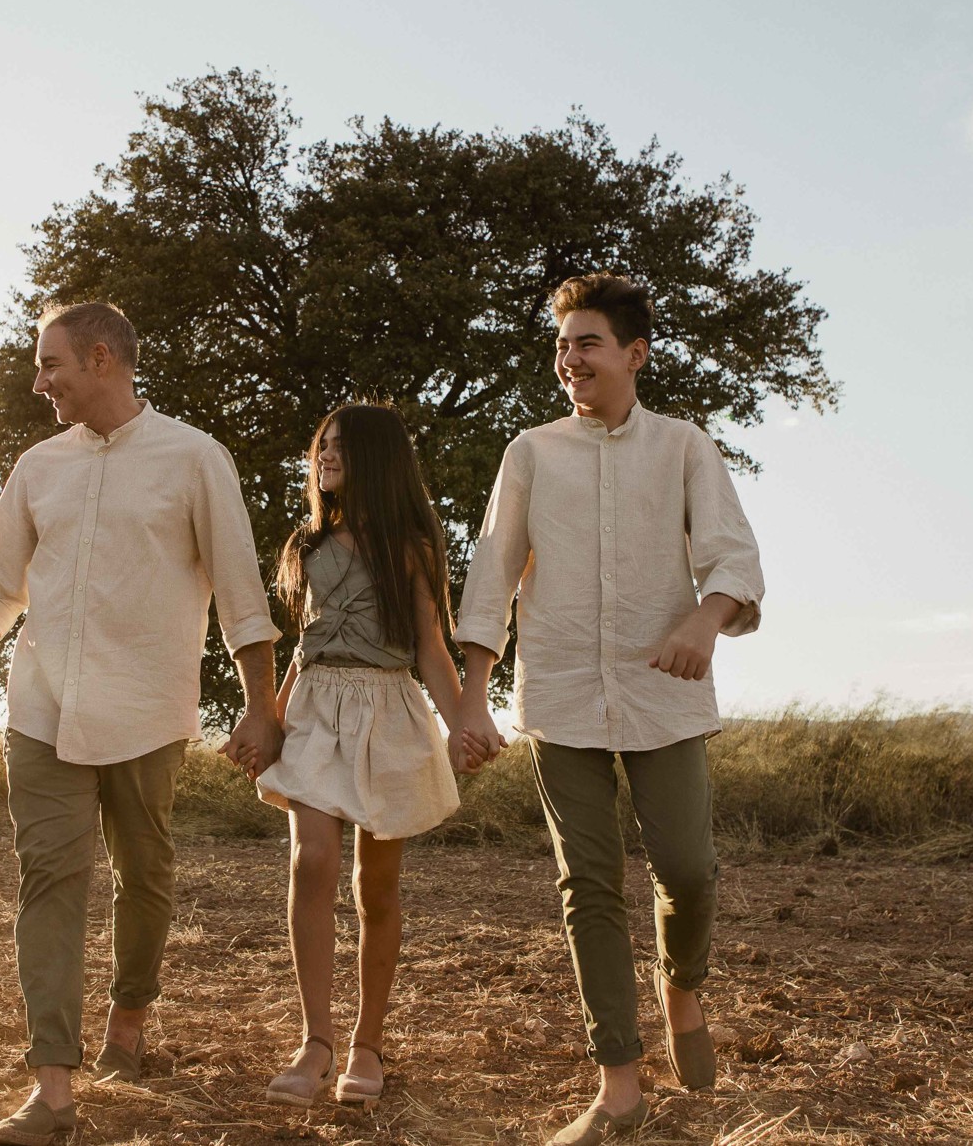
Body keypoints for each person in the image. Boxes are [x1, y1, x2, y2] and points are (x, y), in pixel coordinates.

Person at [0, 301, 282, 1146]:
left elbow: (240, 591)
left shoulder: (195, 458)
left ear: (102, 357)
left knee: (144, 870)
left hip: (147, 710)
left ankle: (129, 1021)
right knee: (50, 876)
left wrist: (261, 706)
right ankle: (52, 1086)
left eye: (52, 366)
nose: (40, 382)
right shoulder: (37, 467)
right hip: (41, 704)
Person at [452, 273, 765, 1145]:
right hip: (558, 698)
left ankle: (682, 985)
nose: (569, 358)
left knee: (689, 868)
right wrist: (473, 697)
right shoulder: (530, 452)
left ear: (634, 353)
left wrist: (704, 621)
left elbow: (735, 560)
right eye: (562, 345)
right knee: (587, 885)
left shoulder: (685, 448)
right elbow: (492, 574)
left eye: (587, 342)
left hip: (664, 697)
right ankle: (618, 1079)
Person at [254, 404, 464, 1109]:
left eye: (341, 445)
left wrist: (466, 718)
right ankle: (316, 1040)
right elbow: (307, 642)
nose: (326, 455)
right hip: (317, 708)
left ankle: (367, 1041)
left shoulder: (411, 547)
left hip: (385, 712)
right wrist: (269, 719)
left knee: (376, 885)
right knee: (311, 858)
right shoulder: (308, 545)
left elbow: (431, 648)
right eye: (321, 445)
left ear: (378, 458)